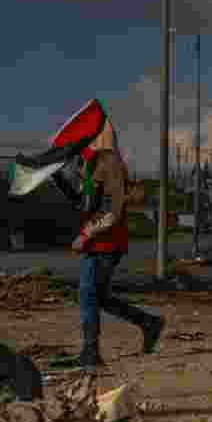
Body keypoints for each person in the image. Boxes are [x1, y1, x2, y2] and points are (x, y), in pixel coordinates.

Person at [16, 125, 163, 367]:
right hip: (97, 241)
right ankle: (148, 323)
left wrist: (85, 234)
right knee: (98, 297)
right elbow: (83, 204)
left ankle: (91, 352)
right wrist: (56, 176)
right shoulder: (90, 164)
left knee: (88, 294)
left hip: (107, 240)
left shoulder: (109, 161)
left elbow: (112, 209)